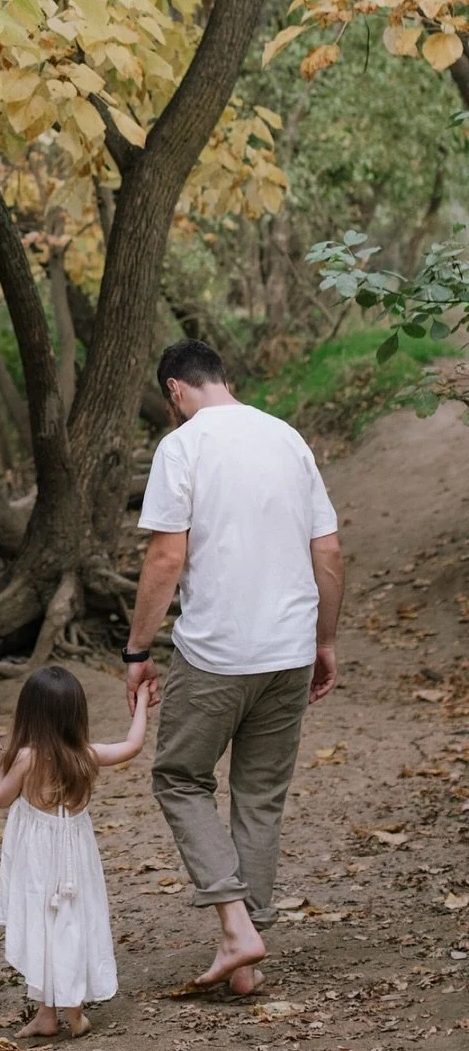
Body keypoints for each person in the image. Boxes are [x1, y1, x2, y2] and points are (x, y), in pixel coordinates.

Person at [125, 338, 345, 995]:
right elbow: (329, 552)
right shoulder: (288, 439)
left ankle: (234, 923)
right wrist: (324, 640)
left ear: (174, 389)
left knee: (179, 777)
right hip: (288, 650)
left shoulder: (183, 445)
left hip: (218, 652)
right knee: (260, 793)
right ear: (223, 377)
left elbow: (166, 560)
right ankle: (246, 954)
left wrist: (138, 649)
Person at [0, 665, 149, 1038]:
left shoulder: (27, 757)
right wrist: (141, 701)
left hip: (38, 858)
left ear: (29, 714)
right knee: (72, 922)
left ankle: (61, 1011)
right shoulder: (85, 754)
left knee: (45, 925)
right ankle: (56, 1014)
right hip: (75, 855)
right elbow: (133, 745)